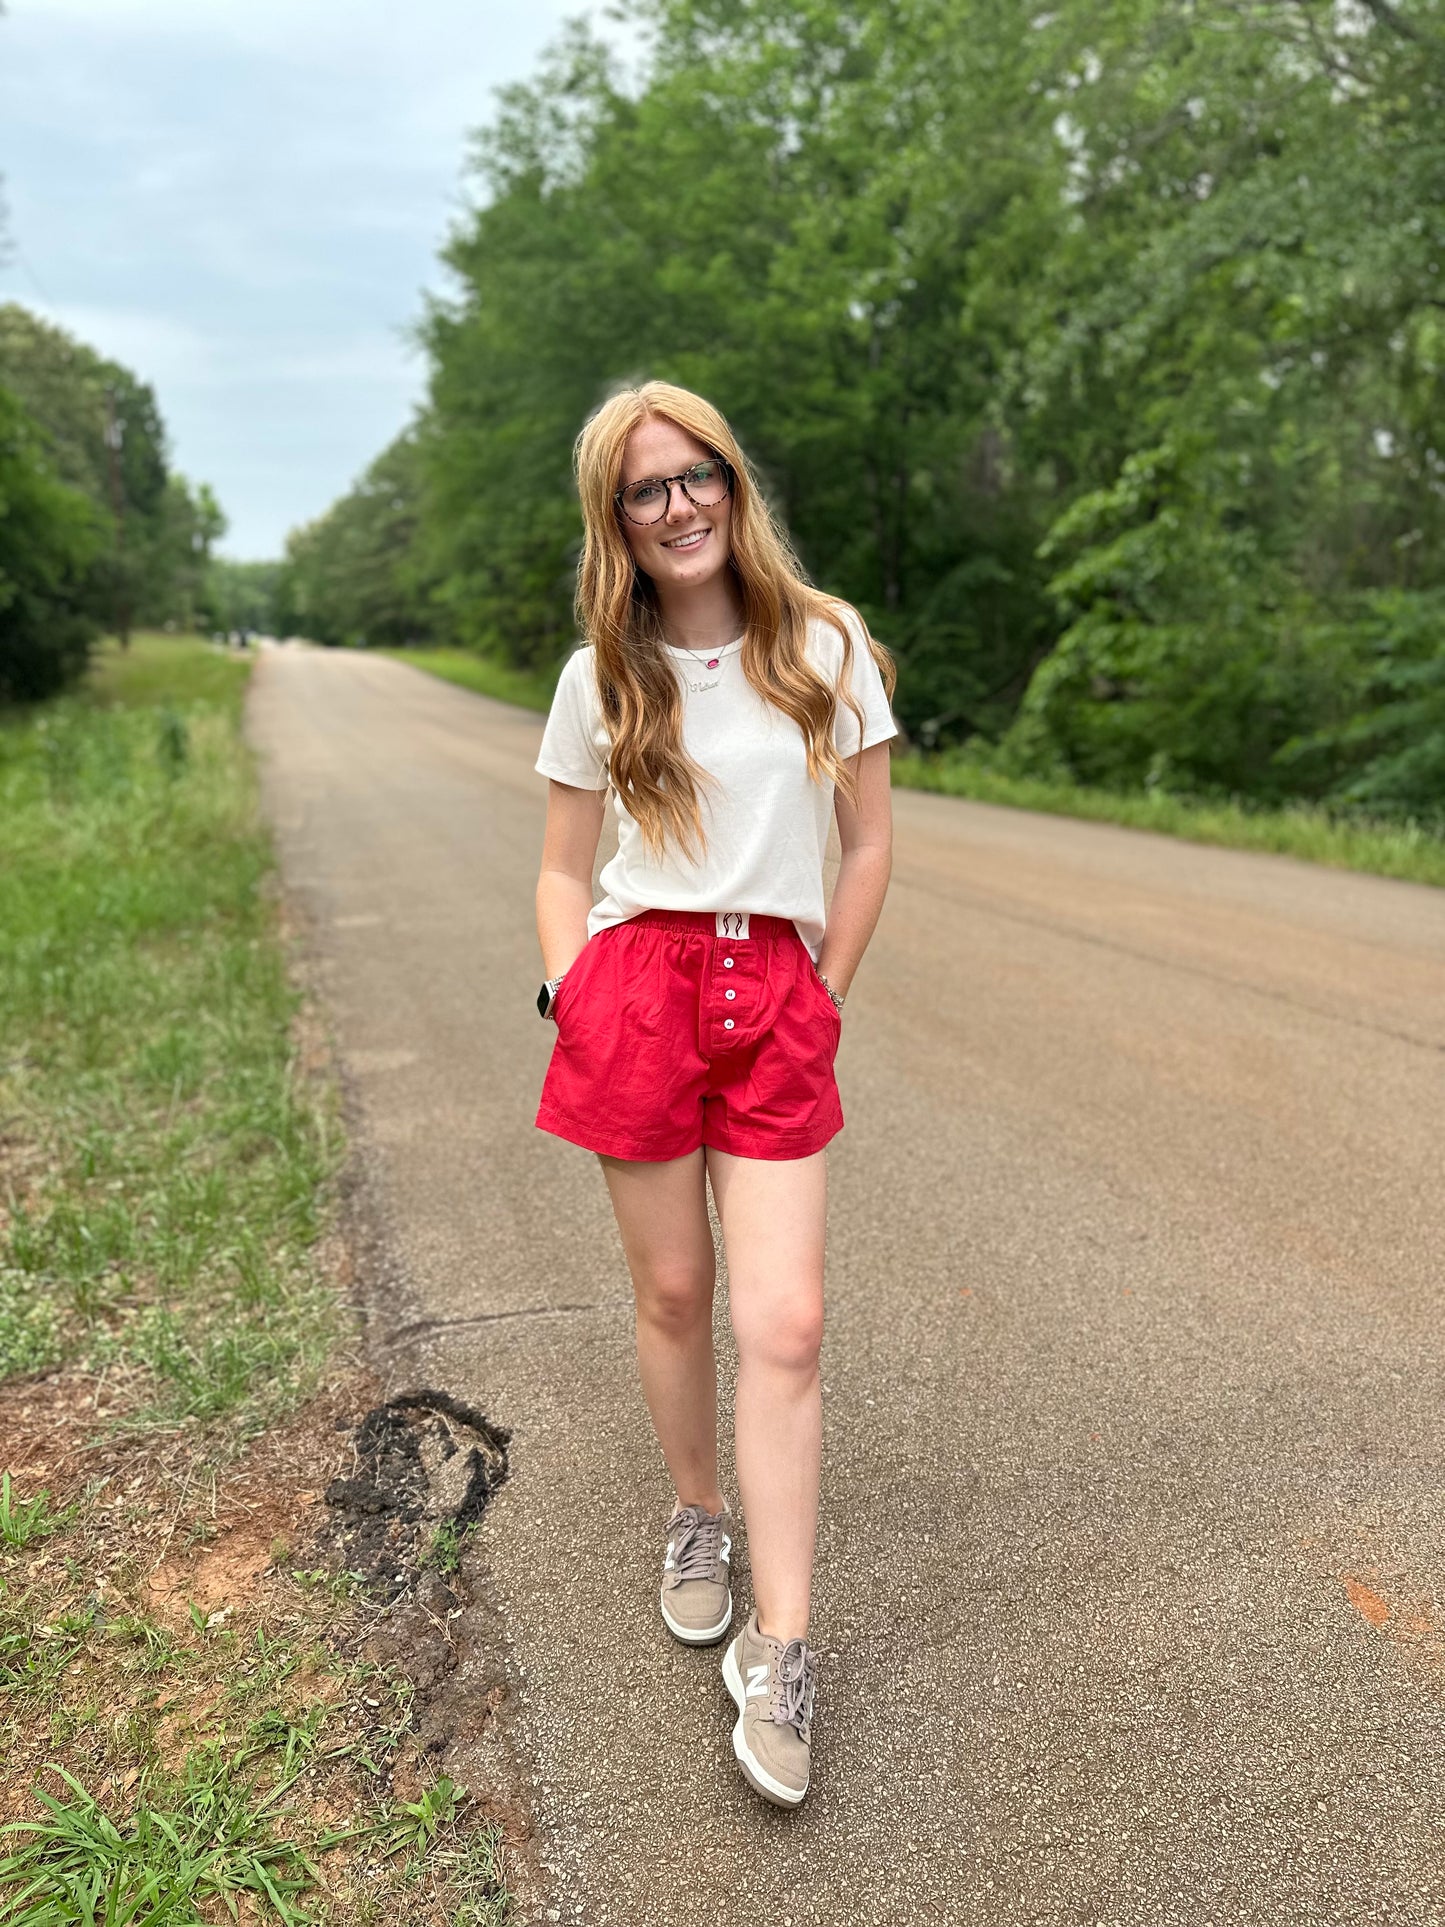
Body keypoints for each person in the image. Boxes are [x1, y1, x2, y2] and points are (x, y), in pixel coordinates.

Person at [531, 380, 898, 1807]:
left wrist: (826, 989)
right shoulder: (596, 681)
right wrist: (575, 994)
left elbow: (862, 849)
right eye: (645, 489)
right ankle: (698, 1519)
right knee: (675, 1296)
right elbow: (565, 871)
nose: (677, 505)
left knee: (786, 1318)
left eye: (699, 477)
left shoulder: (824, 645)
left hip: (773, 996)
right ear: (613, 520)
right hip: (634, 989)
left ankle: (786, 1644)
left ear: (733, 489)